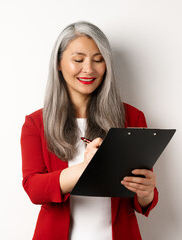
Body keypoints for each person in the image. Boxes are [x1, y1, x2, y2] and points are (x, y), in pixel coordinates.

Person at [21, 21, 158, 240]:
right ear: (58, 63)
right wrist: (85, 168)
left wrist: (147, 192)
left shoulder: (132, 118)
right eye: (78, 60)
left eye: (98, 60)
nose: (89, 69)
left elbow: (141, 197)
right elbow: (34, 189)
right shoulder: (36, 123)